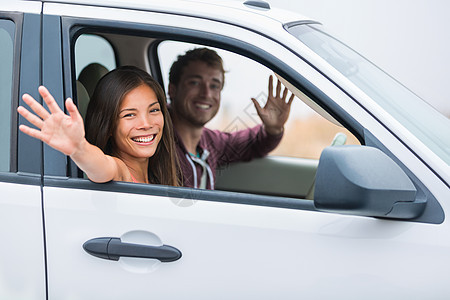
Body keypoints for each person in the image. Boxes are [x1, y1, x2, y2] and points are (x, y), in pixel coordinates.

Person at [18, 66, 180, 186]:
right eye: (129, 115)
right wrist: (79, 148)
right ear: (108, 126)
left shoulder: (158, 177)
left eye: (153, 110)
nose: (146, 124)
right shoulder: (120, 171)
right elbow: (101, 167)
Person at [168, 48, 294, 189]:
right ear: (172, 90)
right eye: (195, 83)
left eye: (215, 86)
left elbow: (253, 143)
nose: (206, 93)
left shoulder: (210, 142)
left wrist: (273, 128)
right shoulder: (154, 139)